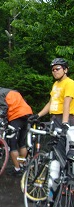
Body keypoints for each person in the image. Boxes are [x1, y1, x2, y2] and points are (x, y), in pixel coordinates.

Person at [27, 58, 74, 195]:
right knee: (56, 152)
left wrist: (65, 123)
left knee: (67, 152)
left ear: (65, 69)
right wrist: (38, 115)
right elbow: (51, 102)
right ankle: (57, 184)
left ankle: (69, 183)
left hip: (66, 119)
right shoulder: (55, 85)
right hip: (55, 119)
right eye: (53, 70)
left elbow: (67, 103)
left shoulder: (69, 83)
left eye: (57, 69)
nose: (55, 72)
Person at [0, 83, 33, 176]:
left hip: (16, 117)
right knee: (22, 144)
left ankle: (17, 169)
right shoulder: (10, 91)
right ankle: (22, 165)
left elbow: (3, 109)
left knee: (12, 145)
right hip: (26, 115)